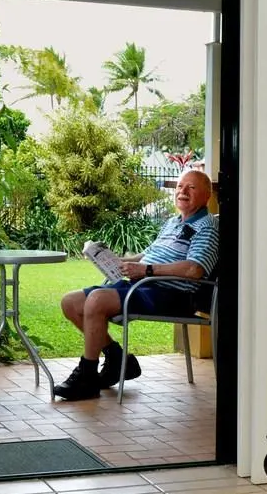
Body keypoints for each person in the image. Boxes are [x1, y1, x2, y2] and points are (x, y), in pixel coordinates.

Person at [54, 169, 219, 401]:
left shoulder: (208, 227)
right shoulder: (173, 222)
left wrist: (146, 271)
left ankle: (87, 378)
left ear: (206, 196)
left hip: (171, 292)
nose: (182, 192)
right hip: (145, 284)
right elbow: (150, 254)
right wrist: (119, 261)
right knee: (70, 303)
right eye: (180, 187)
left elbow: (194, 269)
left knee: (96, 301)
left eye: (191, 188)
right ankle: (118, 359)